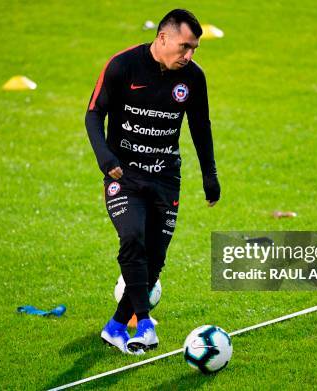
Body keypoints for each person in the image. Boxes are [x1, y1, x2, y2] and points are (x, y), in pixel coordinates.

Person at [85, 9, 220, 354]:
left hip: (165, 177)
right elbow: (94, 113)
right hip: (124, 175)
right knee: (132, 237)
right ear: (163, 37)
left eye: (194, 50)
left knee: (155, 260)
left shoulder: (193, 78)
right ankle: (144, 325)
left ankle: (116, 327)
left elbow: (200, 126)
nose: (188, 55)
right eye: (184, 46)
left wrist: (210, 175)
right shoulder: (123, 65)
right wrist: (106, 158)